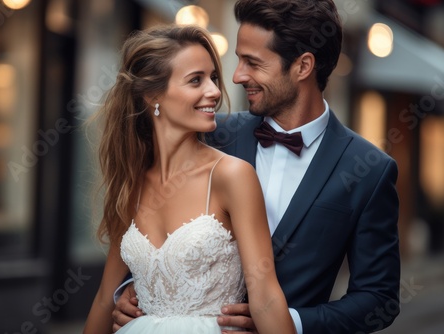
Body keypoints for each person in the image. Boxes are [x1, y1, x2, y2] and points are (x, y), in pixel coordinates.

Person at [112, 1, 401, 333]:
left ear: (303, 66)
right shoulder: (205, 133)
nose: (236, 76)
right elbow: (145, 215)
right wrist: (132, 294)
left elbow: (379, 298)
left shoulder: (370, 170)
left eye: (252, 62)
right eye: (238, 59)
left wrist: (290, 322)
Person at [83, 24, 296, 334]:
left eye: (212, 78)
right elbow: (105, 298)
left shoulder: (232, 176)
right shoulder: (130, 184)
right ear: (152, 95)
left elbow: (265, 293)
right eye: (196, 80)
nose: (213, 91)